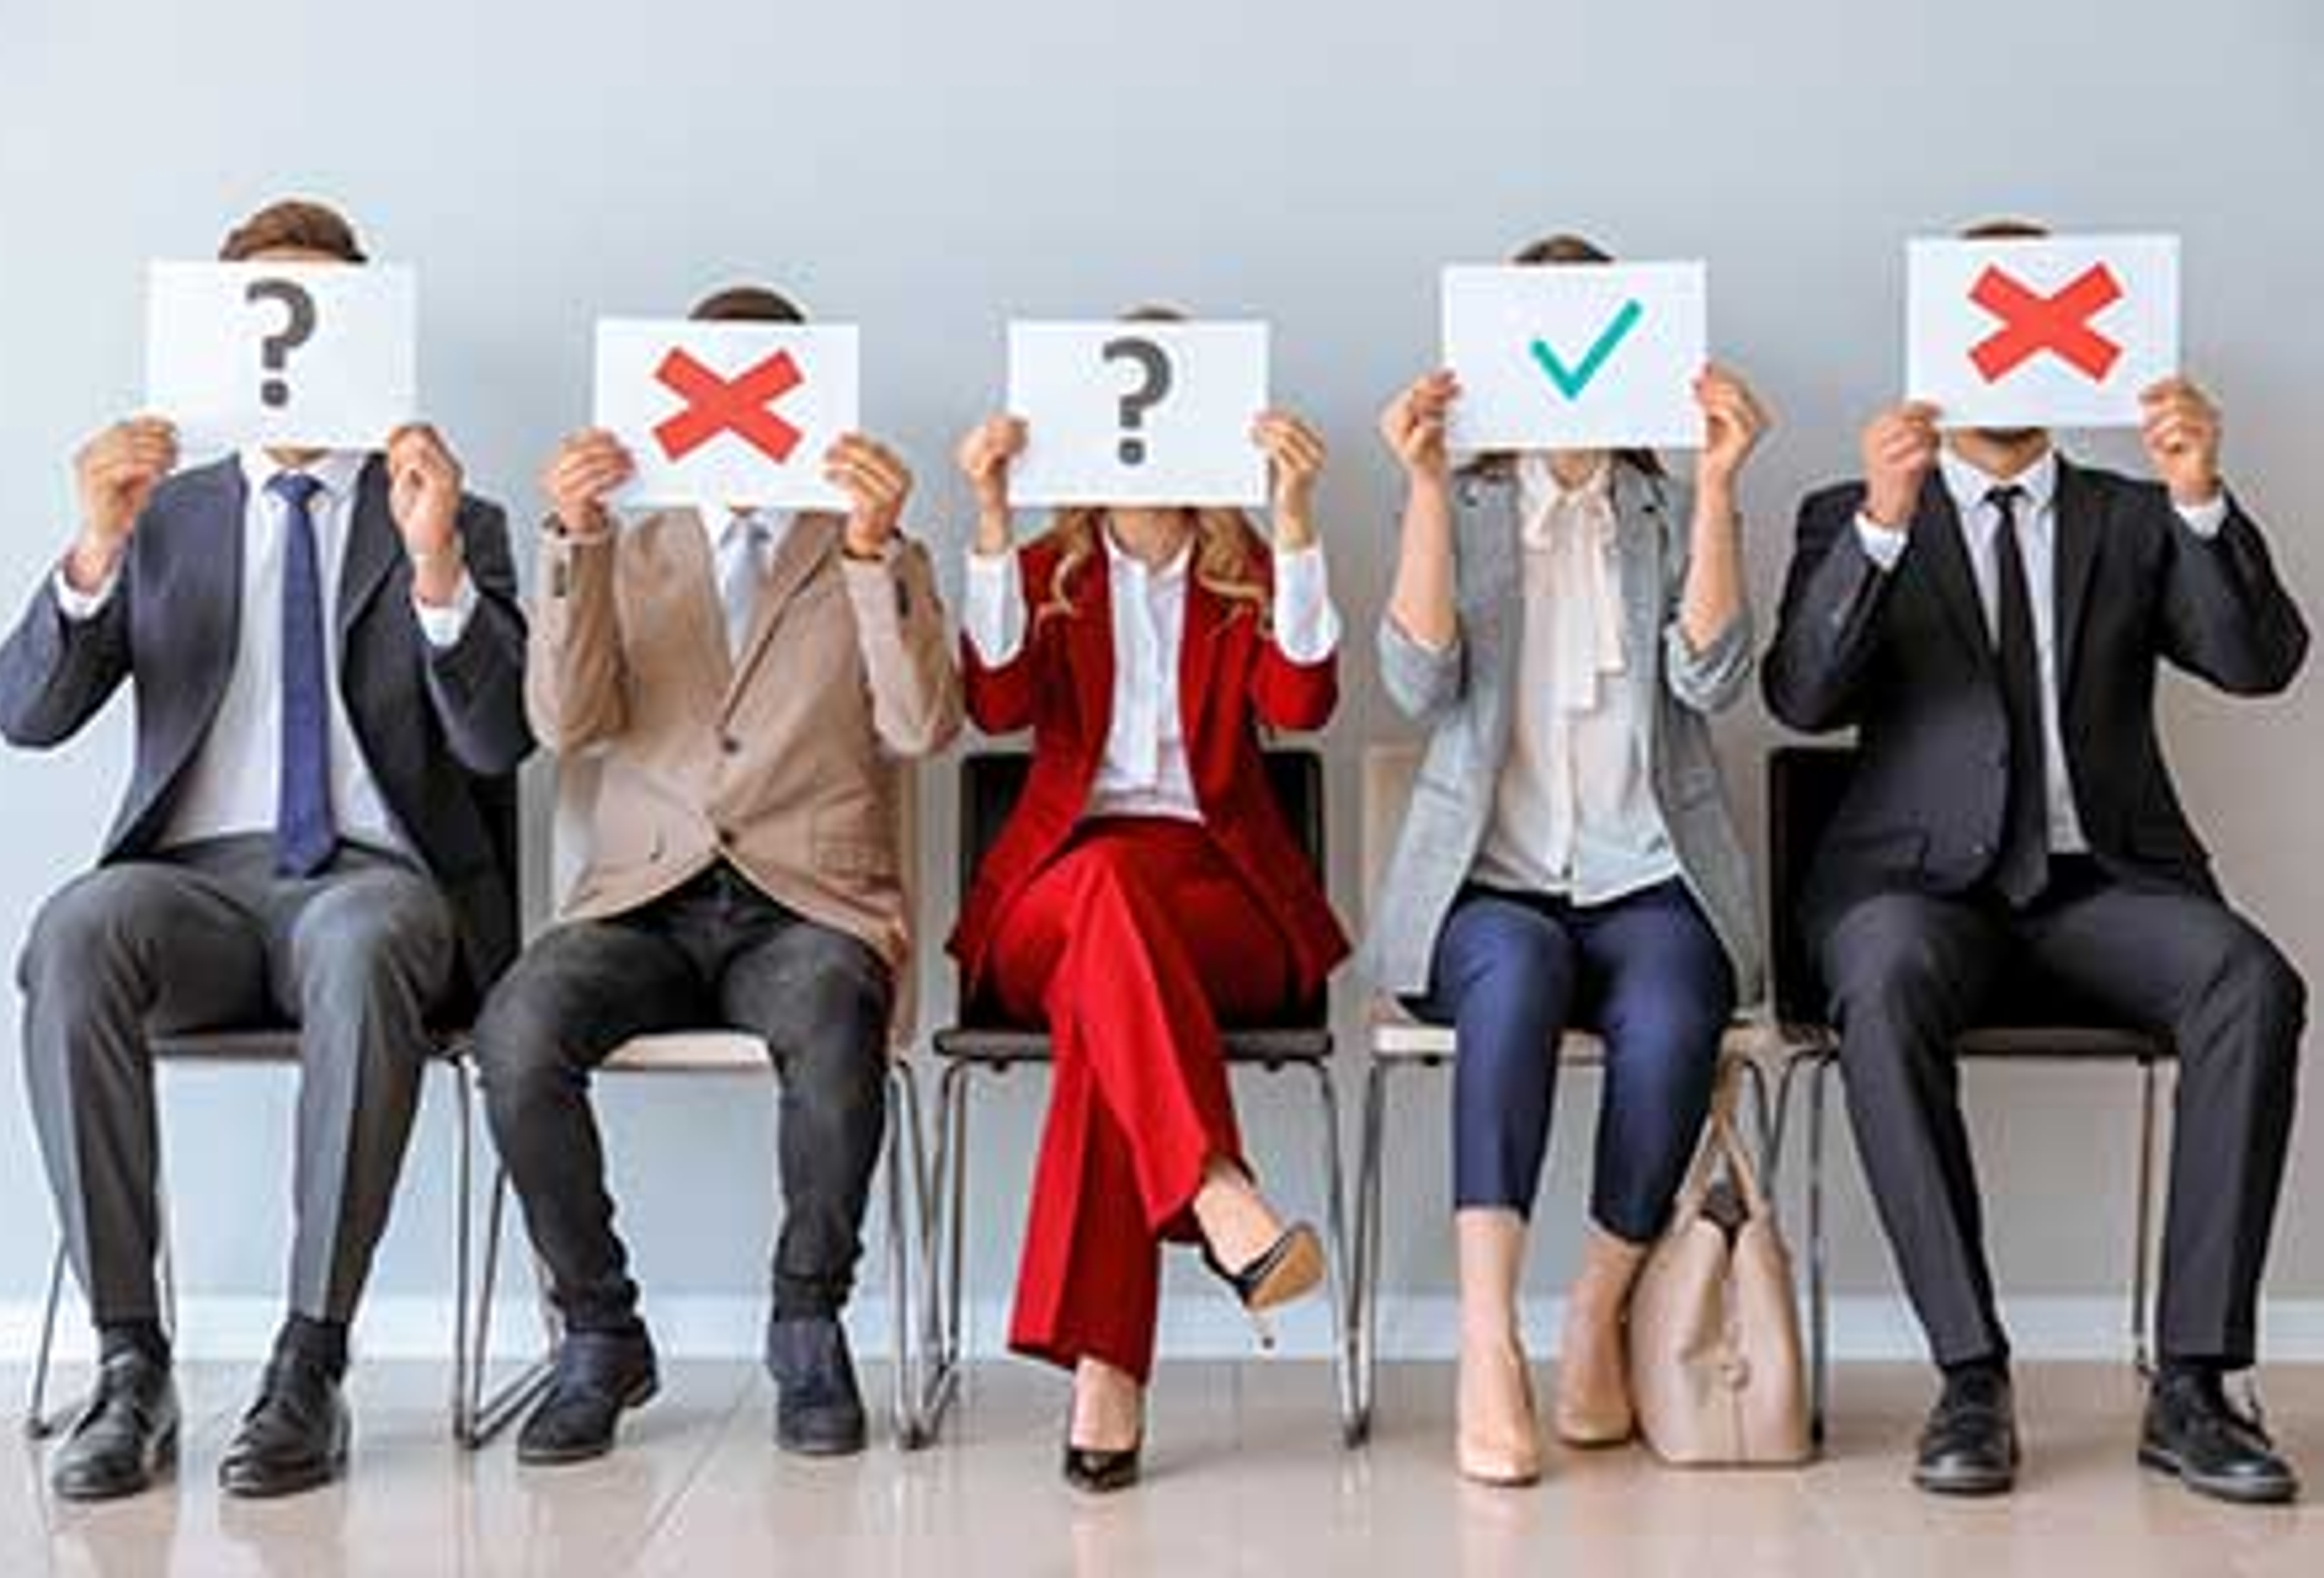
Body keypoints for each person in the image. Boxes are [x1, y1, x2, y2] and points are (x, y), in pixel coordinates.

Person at [0, 199, 531, 1501]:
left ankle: (309, 1362)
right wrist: (96, 549)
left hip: (372, 882)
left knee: (358, 938)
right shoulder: (162, 512)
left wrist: (439, 564)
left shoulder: (447, 513)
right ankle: (130, 1364)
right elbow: (22, 712)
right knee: (74, 926)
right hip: (192, 893)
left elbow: (504, 739)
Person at [1763, 221, 2309, 1505]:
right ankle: (1969, 1371)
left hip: (2102, 885)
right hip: (1916, 892)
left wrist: (2198, 495)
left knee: (2253, 980)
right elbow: (1799, 693)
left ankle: (2193, 1380)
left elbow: (2260, 660)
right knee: (1883, 973)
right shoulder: (1851, 511)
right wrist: (1887, 532)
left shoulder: (2132, 517)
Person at [470, 284, 960, 1465]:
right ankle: (598, 1330)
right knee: (519, 1027)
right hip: (644, 899)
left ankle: (807, 1318)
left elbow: (922, 725)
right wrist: (574, 547)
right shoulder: (627, 545)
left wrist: (869, 555)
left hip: (807, 903)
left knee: (839, 1028)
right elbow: (565, 720)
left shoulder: (873, 550)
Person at [1368, 234, 1771, 1485]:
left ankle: (1597, 1306)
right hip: (1490, 886)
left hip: (1644, 872)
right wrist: (1428, 489)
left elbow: (1712, 673)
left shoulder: (1659, 510)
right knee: (1516, 981)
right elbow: (1417, 677)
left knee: (1673, 1008)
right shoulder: (1475, 506)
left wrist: (1716, 487)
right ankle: (1489, 1342)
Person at [950, 327, 1350, 1493]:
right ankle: (1217, 1194)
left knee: (1104, 1016)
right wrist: (986, 512)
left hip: (1219, 892)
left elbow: (1304, 700)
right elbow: (996, 703)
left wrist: (1296, 517)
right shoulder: (1042, 570)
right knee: (1108, 907)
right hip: (1056, 888)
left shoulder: (1251, 573)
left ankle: (1109, 1372)